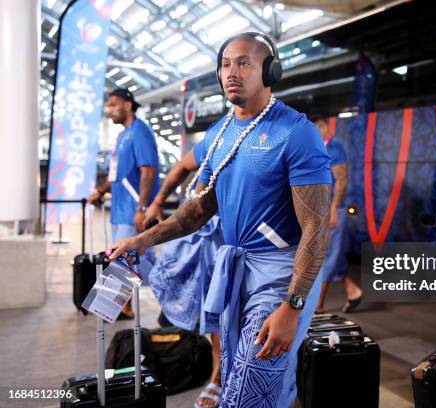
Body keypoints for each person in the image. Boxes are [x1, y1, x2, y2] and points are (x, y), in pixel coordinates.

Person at [109, 32, 331, 408]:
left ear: (270, 70)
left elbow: (316, 227)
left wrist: (292, 306)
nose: (232, 72)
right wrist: (141, 240)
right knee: (249, 377)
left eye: (244, 62)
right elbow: (197, 211)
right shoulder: (218, 135)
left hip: (279, 274)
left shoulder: (297, 132)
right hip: (234, 269)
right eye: (226, 64)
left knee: (251, 383)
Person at [142, 144, 224, 408]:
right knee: (210, 310)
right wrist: (156, 202)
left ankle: (219, 376)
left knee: (223, 312)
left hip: (233, 237)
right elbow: (180, 168)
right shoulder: (216, 138)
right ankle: (217, 374)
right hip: (197, 232)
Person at [89, 88, 159, 318]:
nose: (110, 110)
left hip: (133, 210)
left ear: (128, 105)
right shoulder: (121, 136)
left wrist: (142, 208)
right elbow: (115, 174)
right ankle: (123, 307)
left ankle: (110, 308)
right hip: (119, 210)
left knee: (126, 259)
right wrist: (100, 191)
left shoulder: (140, 132)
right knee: (128, 259)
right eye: (108, 105)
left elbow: (148, 171)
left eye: (113, 104)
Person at [310, 114, 362, 313]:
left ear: (322, 126)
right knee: (333, 256)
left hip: (334, 209)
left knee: (326, 255)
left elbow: (342, 180)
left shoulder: (335, 146)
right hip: (322, 209)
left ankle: (318, 305)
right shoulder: (320, 146)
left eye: (315, 129)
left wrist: (333, 208)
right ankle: (353, 290)